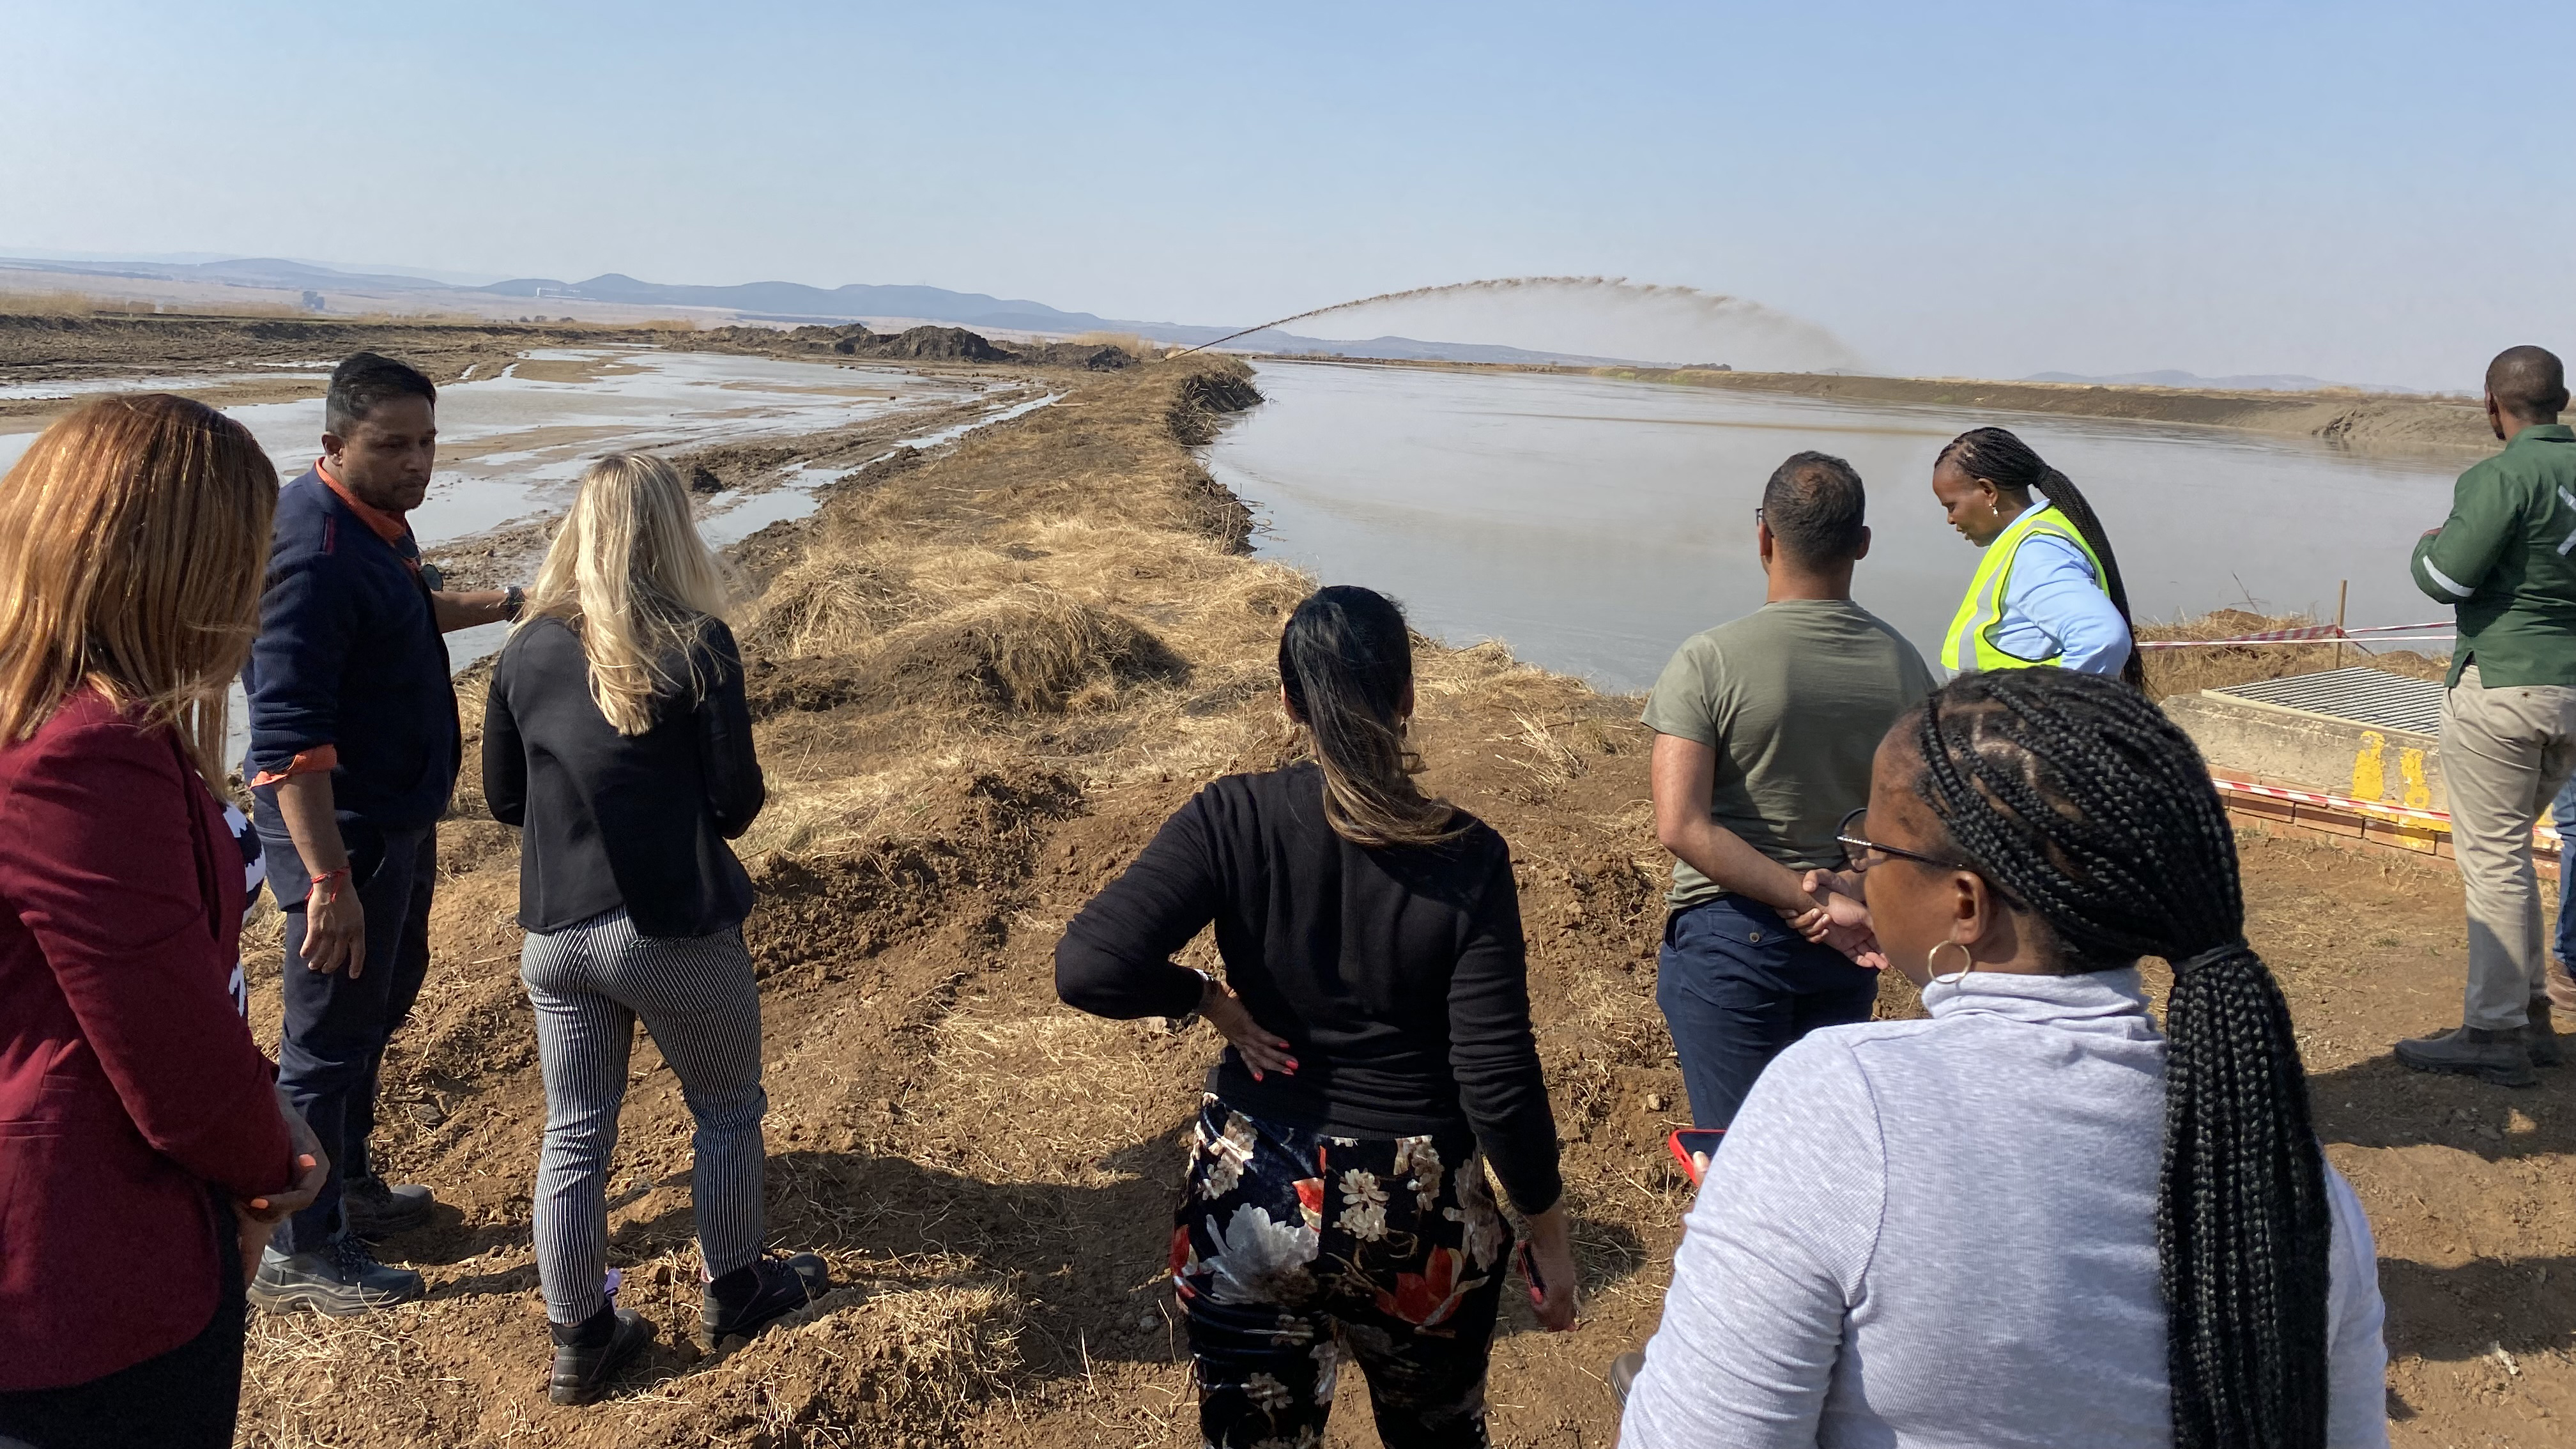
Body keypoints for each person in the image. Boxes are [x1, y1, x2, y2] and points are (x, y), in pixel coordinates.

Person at [1620, 668, 2390, 1449]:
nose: (1855, 870)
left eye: (1871, 847)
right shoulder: (2298, 1187)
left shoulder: (1842, 1107)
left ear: (1965, 904)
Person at [1055, 585, 1576, 1449]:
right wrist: (1547, 1235)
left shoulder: (1232, 816)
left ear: (1289, 701)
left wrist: (1203, 998)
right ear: (1408, 697)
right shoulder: (1469, 856)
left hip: (1252, 1193)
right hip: (1417, 1216)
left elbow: (1089, 965)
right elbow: (1495, 1078)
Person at [0, 395, 327, 1448]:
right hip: (84, 1268)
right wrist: (274, 1168)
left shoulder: (34, 716)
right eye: (245, 555)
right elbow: (168, 1050)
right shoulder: (85, 751)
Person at [483, 453, 827, 1405]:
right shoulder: (700, 642)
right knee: (724, 1111)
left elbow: (504, 800)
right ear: (671, 531)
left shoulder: (523, 648)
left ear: (577, 527)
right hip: (670, 928)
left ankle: (580, 1338)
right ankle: (737, 1290)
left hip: (556, 938)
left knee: (577, 1133)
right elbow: (739, 803)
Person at [242, 352, 524, 1312]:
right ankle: (301, 1246)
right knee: (324, 1039)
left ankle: (348, 1179)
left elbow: (407, 614)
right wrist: (327, 882)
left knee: (378, 1005)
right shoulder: (310, 556)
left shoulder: (374, 527)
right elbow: (283, 742)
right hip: (344, 839)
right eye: (393, 445)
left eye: (428, 442)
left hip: (392, 824)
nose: (418, 463)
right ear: (332, 445)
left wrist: (508, 606)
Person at [1643, 452, 1933, 1128]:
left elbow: (1681, 825)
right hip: (1852, 942)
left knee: (1737, 1169)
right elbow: (1926, 824)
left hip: (1731, 940)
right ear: (1861, 545)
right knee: (1822, 1160)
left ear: (1764, 538)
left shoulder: (1708, 659)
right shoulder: (1908, 667)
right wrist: (1849, 896)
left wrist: (1800, 900)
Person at [2396, 344, 2576, 1086]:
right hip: (2569, 690)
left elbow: (2445, 577)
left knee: (2495, 859)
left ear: (2491, 403)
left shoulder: (2502, 475)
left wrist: (2422, 548)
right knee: (2515, 854)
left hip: (2502, 686)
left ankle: (2493, 1032)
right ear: (2562, 401)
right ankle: (2531, 1014)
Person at [1933, 425, 2143, 684]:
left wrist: (2053, 713)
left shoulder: (2037, 552)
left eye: (1952, 506)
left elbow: (2103, 638)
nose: (1950, 519)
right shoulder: (2033, 535)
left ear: (1989, 492)